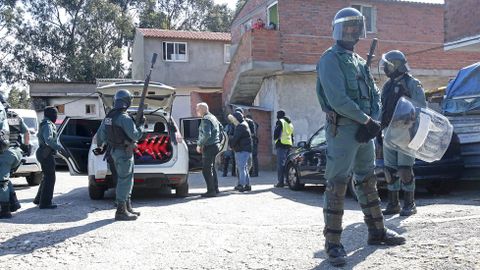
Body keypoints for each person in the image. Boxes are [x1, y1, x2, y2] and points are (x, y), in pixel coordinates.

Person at [316, 7, 405, 266]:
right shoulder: (329, 59)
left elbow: (375, 95)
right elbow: (337, 99)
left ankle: (377, 231)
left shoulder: (357, 61)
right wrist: (367, 121)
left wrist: (374, 121)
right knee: (337, 183)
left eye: (356, 27)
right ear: (338, 29)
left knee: (367, 181)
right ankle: (333, 244)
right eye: (348, 26)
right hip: (343, 129)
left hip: (365, 130)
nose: (352, 31)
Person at [379, 50, 427, 217]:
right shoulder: (387, 86)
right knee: (390, 170)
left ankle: (409, 203)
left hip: (406, 132)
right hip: (388, 132)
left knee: (405, 169)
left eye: (387, 65)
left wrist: (412, 128)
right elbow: (382, 109)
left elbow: (421, 108)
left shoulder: (412, 83)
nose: (384, 67)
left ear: (396, 66)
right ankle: (393, 204)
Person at [97, 89, 144, 221]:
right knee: (125, 180)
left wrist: (108, 143)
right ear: (127, 102)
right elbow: (135, 135)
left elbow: (100, 136)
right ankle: (121, 211)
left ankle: (127, 207)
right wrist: (140, 125)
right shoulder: (124, 117)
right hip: (124, 152)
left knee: (127, 179)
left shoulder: (108, 117)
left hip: (114, 152)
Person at [35, 106, 68, 209]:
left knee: (46, 176)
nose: (56, 116)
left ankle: (39, 199)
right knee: (50, 178)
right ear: (51, 115)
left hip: (43, 152)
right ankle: (45, 203)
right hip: (45, 153)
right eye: (55, 114)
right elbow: (48, 139)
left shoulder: (45, 123)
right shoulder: (48, 125)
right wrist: (59, 148)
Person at [0, 95, 24, 218]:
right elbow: (26, 133)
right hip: (17, 152)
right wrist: (26, 148)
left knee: (1, 182)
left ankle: (5, 210)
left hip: (5, 154)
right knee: (5, 178)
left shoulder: (1, 116)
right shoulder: (15, 116)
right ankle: (14, 203)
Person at [196, 102, 222, 197]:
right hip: (215, 145)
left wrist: (199, 144)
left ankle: (211, 191)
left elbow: (207, 134)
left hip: (209, 146)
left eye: (198, 109)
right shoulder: (213, 117)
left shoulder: (206, 119)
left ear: (202, 109)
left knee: (206, 169)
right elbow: (221, 128)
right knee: (212, 168)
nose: (197, 111)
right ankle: (215, 188)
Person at [229, 111, 252, 192]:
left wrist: (230, 145)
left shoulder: (240, 126)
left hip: (242, 150)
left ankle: (241, 185)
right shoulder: (245, 124)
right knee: (244, 168)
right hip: (246, 149)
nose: (233, 121)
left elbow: (236, 138)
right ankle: (247, 185)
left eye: (234, 119)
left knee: (241, 168)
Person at [273, 110, 294, 188]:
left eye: (277, 114)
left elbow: (276, 132)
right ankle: (287, 181)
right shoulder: (290, 123)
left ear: (279, 115)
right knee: (286, 164)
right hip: (289, 145)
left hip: (281, 144)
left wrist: (275, 140)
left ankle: (280, 182)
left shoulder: (280, 121)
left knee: (280, 164)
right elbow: (292, 135)